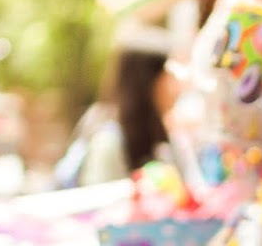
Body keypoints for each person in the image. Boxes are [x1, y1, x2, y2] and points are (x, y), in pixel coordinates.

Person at [54, 26, 177, 187]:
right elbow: (101, 198)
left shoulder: (151, 133)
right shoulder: (108, 141)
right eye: (168, 74)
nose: (175, 84)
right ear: (147, 81)